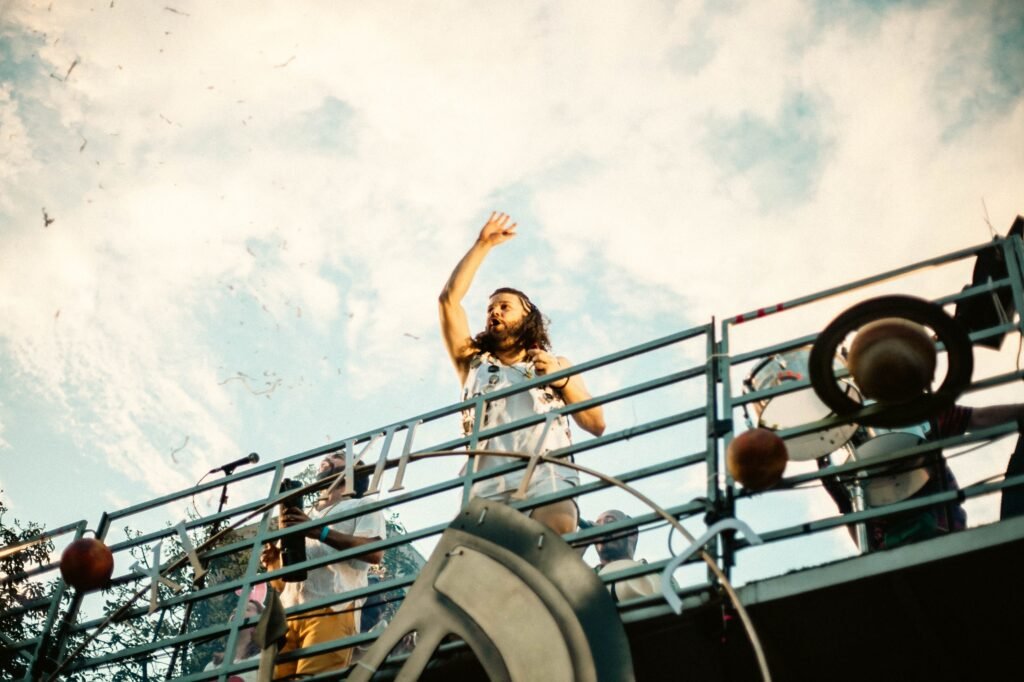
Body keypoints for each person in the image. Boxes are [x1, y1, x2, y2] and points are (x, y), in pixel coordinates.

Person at [439, 211, 606, 535]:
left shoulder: (557, 363)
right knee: (482, 556)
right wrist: (483, 244)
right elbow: (449, 301)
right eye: (490, 309)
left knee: (554, 533)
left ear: (528, 316)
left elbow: (596, 424)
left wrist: (561, 380)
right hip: (486, 476)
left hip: (546, 468)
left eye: (504, 306)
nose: (495, 312)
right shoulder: (472, 361)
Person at [823, 402, 1024, 550]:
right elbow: (977, 419)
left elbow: (976, 418)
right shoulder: (914, 411)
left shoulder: (913, 410)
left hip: (920, 547)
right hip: (919, 546)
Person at [260, 453, 386, 678]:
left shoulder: (363, 504)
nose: (328, 458)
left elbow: (374, 552)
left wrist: (320, 532)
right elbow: (281, 584)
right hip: (287, 616)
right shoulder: (305, 514)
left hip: (332, 608)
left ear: (354, 473)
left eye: (338, 457)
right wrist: (272, 562)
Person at [591, 510, 659, 601]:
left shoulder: (658, 574)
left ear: (632, 533)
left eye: (610, 522)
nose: (601, 530)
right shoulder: (586, 576)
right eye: (596, 527)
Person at [202, 598, 263, 682]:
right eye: (234, 611)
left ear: (258, 624)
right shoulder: (211, 667)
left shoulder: (262, 659)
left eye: (247, 609)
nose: (236, 610)